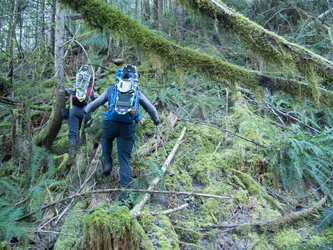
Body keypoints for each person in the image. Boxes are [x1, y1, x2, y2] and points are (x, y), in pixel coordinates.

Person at [83, 65, 159, 204]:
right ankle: (125, 196)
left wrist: (86, 110)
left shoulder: (112, 89)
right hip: (127, 127)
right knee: (124, 159)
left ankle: (107, 163)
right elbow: (151, 109)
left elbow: (95, 104)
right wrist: (156, 120)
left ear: (119, 77)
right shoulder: (136, 92)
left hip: (110, 124)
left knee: (106, 138)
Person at [67, 65, 98, 157]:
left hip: (73, 111)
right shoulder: (90, 91)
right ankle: (82, 153)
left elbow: (66, 94)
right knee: (85, 131)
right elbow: (99, 100)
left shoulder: (74, 89)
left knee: (73, 133)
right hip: (86, 111)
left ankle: (71, 155)